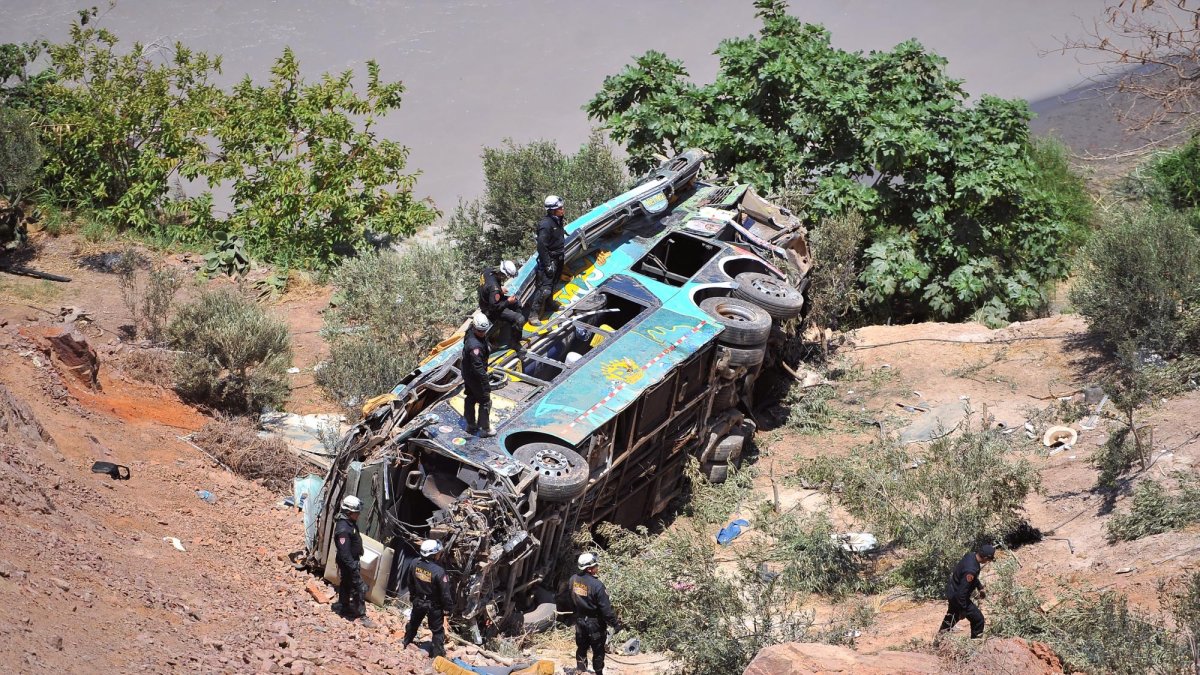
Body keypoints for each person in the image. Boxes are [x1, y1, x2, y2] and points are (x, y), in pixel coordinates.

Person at [402, 539, 454, 659]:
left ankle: (405, 642)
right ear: (433, 554)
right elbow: (445, 593)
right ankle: (438, 656)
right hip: (434, 606)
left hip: (418, 601)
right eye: (438, 553)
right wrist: (448, 608)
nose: (439, 554)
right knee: (437, 631)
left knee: (413, 623)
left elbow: (410, 582)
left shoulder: (415, 563)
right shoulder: (439, 572)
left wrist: (413, 596)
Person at [570, 552, 619, 675]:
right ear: (589, 569)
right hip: (595, 624)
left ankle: (580, 670)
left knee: (581, 647)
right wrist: (615, 624)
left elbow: (569, 599)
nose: (597, 567)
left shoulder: (573, 579)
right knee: (598, 650)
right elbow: (606, 610)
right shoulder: (597, 585)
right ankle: (598, 672)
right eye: (595, 566)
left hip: (580, 621)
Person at [937, 543, 996, 640]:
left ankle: (937, 641)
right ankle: (975, 644)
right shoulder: (971, 570)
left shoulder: (971, 556)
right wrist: (963, 610)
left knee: (951, 617)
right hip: (958, 596)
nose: (988, 561)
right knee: (978, 619)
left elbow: (971, 578)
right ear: (986, 558)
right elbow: (961, 593)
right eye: (989, 559)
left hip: (952, 591)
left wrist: (980, 587)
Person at [332, 495, 374, 627]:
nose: (359, 515)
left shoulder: (349, 523)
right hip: (348, 563)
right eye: (357, 512)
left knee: (346, 583)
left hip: (350, 561)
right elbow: (345, 554)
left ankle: (344, 606)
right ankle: (361, 615)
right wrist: (354, 569)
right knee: (358, 587)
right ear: (349, 512)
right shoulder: (343, 529)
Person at [530, 195, 567, 325]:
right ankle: (533, 315)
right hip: (550, 260)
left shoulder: (558, 220)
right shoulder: (546, 225)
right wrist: (547, 264)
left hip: (559, 257)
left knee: (555, 282)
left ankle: (550, 304)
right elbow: (541, 246)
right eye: (560, 208)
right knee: (545, 288)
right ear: (552, 210)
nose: (562, 209)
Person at [477, 259, 525, 353]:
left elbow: (486, 285)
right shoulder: (494, 289)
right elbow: (494, 307)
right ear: (503, 274)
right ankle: (514, 342)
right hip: (490, 309)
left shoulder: (488, 271)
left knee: (517, 303)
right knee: (520, 319)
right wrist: (508, 302)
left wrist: (500, 288)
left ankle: (515, 330)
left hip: (486, 300)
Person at [463, 311, 494, 437]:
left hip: (467, 372)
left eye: (484, 331)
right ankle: (485, 429)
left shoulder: (470, 331)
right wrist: (486, 383)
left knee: (470, 397)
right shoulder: (474, 346)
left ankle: (470, 425)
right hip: (475, 376)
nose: (482, 333)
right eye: (480, 331)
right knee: (485, 400)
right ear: (475, 328)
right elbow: (478, 368)